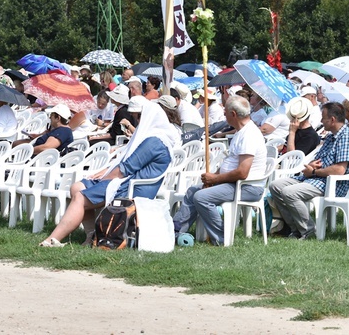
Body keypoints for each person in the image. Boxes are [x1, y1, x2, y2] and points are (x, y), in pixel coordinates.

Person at [40, 100, 179, 247]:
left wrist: (103, 179)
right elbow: (125, 163)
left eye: (137, 117)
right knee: (77, 187)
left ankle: (52, 239)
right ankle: (91, 236)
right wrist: (104, 172)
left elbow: (125, 169)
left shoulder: (154, 142)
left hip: (132, 187)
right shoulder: (153, 137)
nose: (136, 121)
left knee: (81, 197)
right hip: (127, 180)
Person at [172, 96, 267, 245]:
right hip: (234, 184)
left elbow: (242, 172)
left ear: (233, 114)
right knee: (192, 191)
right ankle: (176, 231)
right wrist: (214, 176)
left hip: (247, 187)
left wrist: (215, 180)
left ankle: (222, 238)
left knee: (201, 197)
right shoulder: (240, 132)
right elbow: (232, 163)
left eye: (225, 112)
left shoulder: (249, 135)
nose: (224, 115)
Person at [269, 102, 349, 239]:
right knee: (275, 186)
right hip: (317, 178)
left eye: (323, 118)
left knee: (289, 192)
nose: (320, 121)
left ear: (332, 120)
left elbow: (339, 170)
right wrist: (312, 166)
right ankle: (296, 230)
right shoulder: (331, 137)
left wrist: (313, 172)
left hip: (331, 184)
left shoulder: (346, 138)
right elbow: (320, 160)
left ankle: (309, 231)